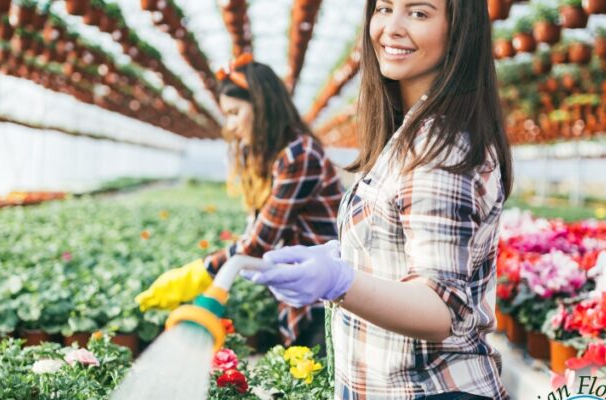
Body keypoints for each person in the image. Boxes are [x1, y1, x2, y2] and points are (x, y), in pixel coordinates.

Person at [243, 1, 513, 399]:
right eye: (384, 8)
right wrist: (348, 259)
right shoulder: (410, 132)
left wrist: (339, 281)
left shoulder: (439, 145)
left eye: (419, 13)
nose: (391, 28)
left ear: (458, 30)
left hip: (428, 389)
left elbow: (438, 309)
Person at [135, 54, 344, 347]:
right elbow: (256, 232)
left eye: (235, 112)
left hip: (323, 297)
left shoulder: (300, 155)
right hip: (297, 294)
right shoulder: (271, 157)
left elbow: (262, 241)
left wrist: (203, 270)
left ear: (262, 107)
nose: (230, 125)